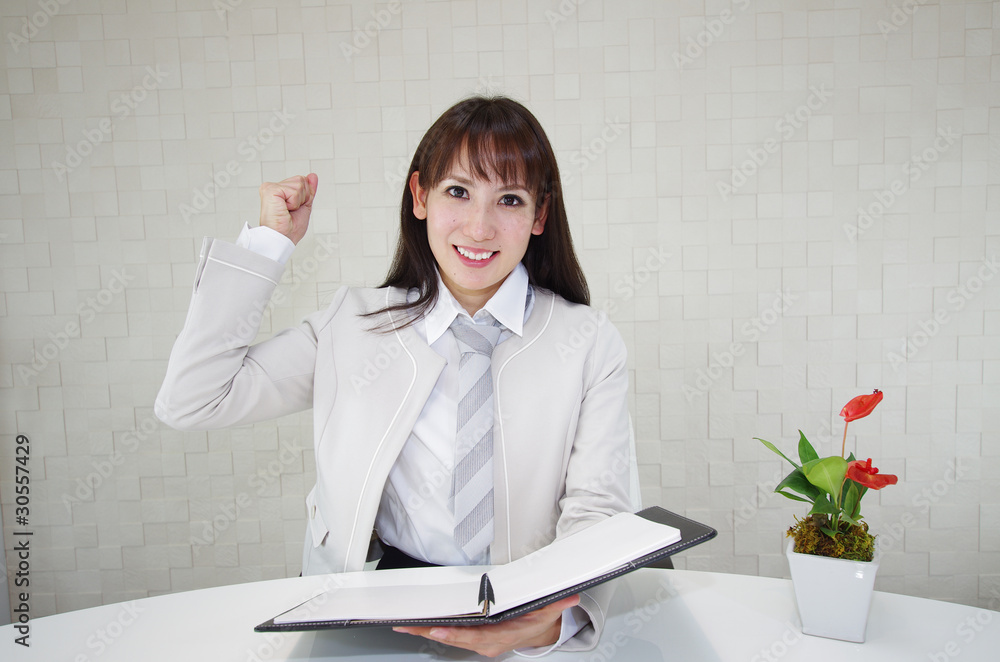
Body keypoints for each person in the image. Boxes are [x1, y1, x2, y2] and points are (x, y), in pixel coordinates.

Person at [156, 96, 631, 657]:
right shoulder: (352, 326)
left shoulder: (587, 340)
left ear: (539, 215)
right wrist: (267, 245)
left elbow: (597, 510)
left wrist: (551, 623)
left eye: (509, 199)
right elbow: (193, 398)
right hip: (378, 618)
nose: (479, 227)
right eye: (458, 191)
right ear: (420, 196)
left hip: (530, 615)